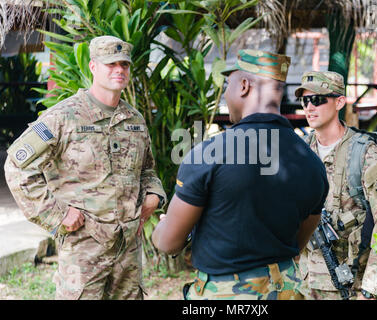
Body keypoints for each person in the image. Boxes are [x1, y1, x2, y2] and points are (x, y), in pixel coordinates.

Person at [151, 49, 329, 300]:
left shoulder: (208, 155)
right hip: (286, 291)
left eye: (227, 84)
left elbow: (169, 243)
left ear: (244, 85)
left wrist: (160, 228)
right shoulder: (312, 162)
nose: (225, 93)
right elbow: (297, 242)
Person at [4, 35, 166, 300]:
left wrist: (153, 195)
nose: (119, 70)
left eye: (124, 65)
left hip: (128, 252)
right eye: (110, 64)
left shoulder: (134, 120)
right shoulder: (62, 116)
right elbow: (17, 167)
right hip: (84, 249)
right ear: (93, 67)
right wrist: (57, 214)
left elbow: (147, 169)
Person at [295, 70, 377, 300]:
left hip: (350, 288)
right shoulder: (299, 152)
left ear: (339, 102)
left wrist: (370, 290)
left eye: (317, 99)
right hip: (301, 284)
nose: (309, 107)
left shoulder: (364, 155)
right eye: (305, 100)